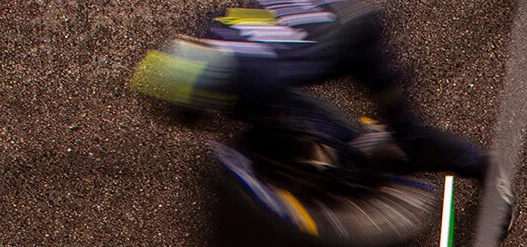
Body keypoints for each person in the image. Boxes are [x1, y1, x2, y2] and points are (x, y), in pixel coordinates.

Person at [131, 0, 488, 183]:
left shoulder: (255, 84)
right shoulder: (212, 29)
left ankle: (485, 170)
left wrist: (349, 148)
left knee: (400, 145)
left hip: (358, 30)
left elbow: (316, 119)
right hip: (320, 12)